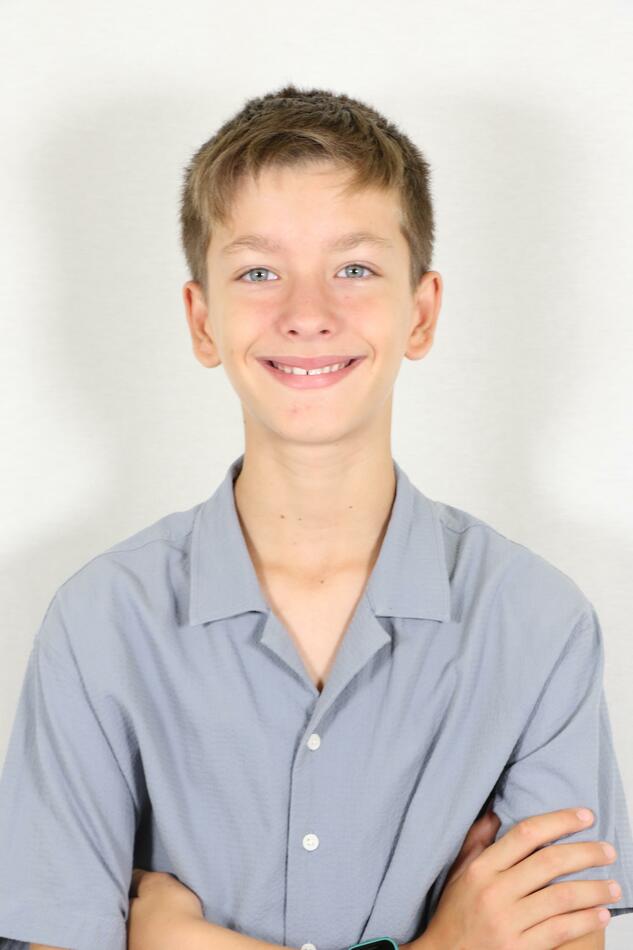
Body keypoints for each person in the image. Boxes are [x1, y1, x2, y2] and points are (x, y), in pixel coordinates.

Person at [0, 84, 631, 950]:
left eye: (355, 269)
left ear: (420, 312)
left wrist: (186, 943)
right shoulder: (99, 623)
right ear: (201, 320)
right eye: (258, 272)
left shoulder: (537, 622)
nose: (306, 315)